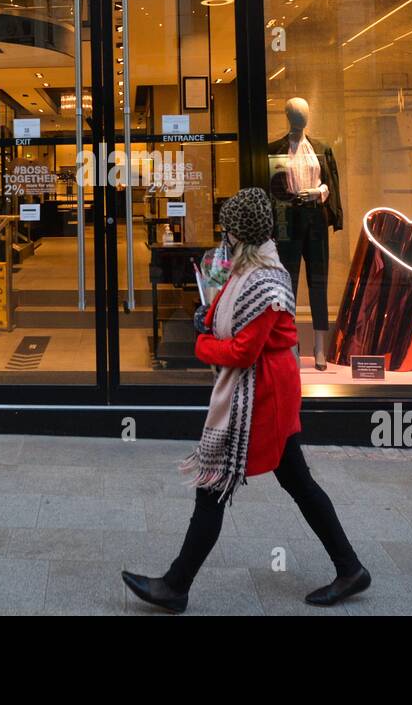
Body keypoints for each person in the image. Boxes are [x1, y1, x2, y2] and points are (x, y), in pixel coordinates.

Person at [121, 187, 370, 613]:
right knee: (299, 483)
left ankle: (176, 586)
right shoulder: (249, 271)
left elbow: (243, 352)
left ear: (243, 234)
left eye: (229, 231)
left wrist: (200, 346)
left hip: (262, 396)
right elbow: (226, 309)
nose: (224, 238)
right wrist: (208, 316)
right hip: (262, 390)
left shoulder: (267, 282)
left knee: (215, 483)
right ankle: (350, 568)